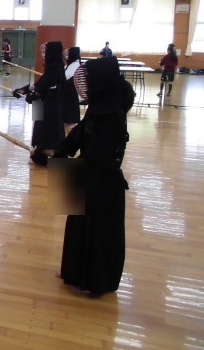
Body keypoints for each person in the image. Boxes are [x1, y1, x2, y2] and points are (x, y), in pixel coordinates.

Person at [32, 57, 135, 296]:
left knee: (96, 232)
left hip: (102, 185)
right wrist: (51, 151)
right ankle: (74, 272)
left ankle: (94, 282)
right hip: (89, 177)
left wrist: (55, 162)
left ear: (101, 83)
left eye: (87, 80)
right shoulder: (98, 107)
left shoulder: (112, 116)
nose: (82, 85)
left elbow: (99, 156)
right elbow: (76, 136)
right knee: (77, 225)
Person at [13, 41, 66, 163]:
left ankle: (43, 154)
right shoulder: (52, 67)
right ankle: (37, 154)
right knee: (37, 129)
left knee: (45, 130)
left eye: (45, 51)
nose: (43, 54)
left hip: (49, 106)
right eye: (41, 51)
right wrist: (22, 90)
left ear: (51, 53)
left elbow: (43, 88)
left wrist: (32, 96)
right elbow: (39, 84)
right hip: (42, 104)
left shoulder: (55, 69)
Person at [62, 47, 82, 128]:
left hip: (71, 90)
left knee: (71, 105)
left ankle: (72, 121)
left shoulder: (75, 65)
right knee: (68, 105)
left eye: (68, 53)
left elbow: (65, 76)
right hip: (68, 90)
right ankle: (67, 120)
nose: (66, 55)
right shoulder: (72, 63)